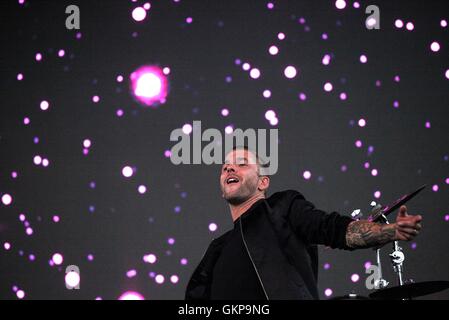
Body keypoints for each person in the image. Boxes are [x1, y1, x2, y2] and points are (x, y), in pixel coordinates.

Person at [185, 146, 423, 300]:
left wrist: (387, 231)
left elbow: (334, 229)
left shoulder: (283, 207)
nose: (229, 167)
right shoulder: (217, 248)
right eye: (225, 166)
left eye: (242, 163)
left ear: (263, 183)